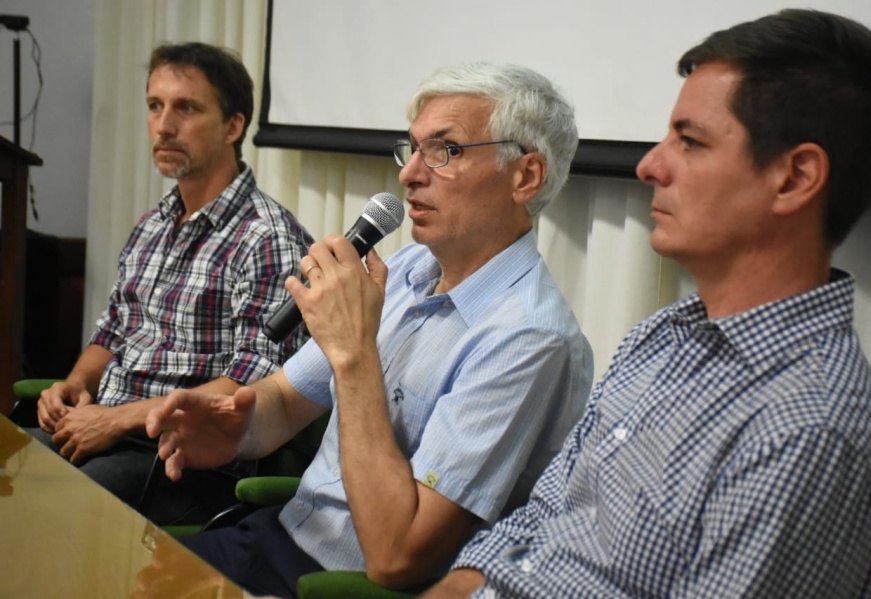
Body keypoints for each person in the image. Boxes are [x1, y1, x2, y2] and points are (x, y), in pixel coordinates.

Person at [425, 9, 871, 599]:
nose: (650, 165)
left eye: (691, 142)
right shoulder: (663, 337)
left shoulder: (811, 429)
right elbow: (531, 528)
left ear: (795, 178)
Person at [146, 62, 594, 598]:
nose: (408, 175)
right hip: (274, 538)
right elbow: (286, 403)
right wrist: (234, 425)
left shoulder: (528, 339)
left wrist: (354, 353)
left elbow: (397, 557)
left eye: (444, 151)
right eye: (413, 148)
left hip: (341, 585)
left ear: (525, 176)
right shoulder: (406, 269)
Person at [27, 42, 313, 511]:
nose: (163, 126)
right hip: (104, 428)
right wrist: (75, 383)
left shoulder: (267, 238)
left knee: (47, 507)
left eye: (186, 108)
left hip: (186, 458)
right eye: (155, 106)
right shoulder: (152, 225)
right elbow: (114, 331)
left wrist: (117, 420)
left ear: (233, 126)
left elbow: (248, 387)